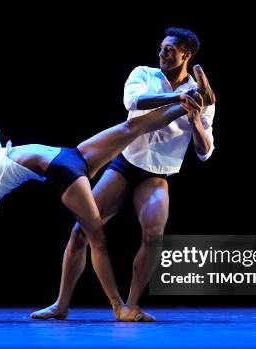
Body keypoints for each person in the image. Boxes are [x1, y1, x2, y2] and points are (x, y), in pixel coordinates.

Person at [0, 92, 204, 321]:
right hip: (62, 175)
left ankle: (191, 101)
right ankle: (118, 306)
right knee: (95, 237)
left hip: (72, 155)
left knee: (133, 127)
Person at [32, 27, 216, 322]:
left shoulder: (201, 98)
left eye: (169, 50)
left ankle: (130, 306)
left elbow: (205, 152)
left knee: (154, 234)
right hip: (125, 164)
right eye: (161, 48)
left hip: (157, 174)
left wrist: (195, 118)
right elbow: (134, 103)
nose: (162, 54)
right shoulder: (144, 73)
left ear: (186, 54)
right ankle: (61, 304)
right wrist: (180, 99)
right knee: (81, 230)